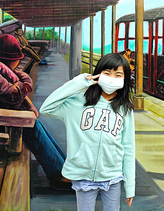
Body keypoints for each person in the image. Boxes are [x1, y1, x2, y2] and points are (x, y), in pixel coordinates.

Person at [39, 52, 136, 210]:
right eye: (107, 73)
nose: (112, 78)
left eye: (118, 75)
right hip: (83, 175)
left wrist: (130, 186)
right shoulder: (77, 103)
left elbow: (129, 148)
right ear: (98, 74)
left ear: (124, 80)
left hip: (113, 175)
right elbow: (46, 107)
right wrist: (80, 82)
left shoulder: (125, 109)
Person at [0, 34, 68, 189]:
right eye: (17, 60)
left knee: (34, 123)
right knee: (32, 126)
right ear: (9, 60)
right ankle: (57, 175)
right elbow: (12, 95)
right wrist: (25, 81)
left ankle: (64, 169)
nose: (19, 63)